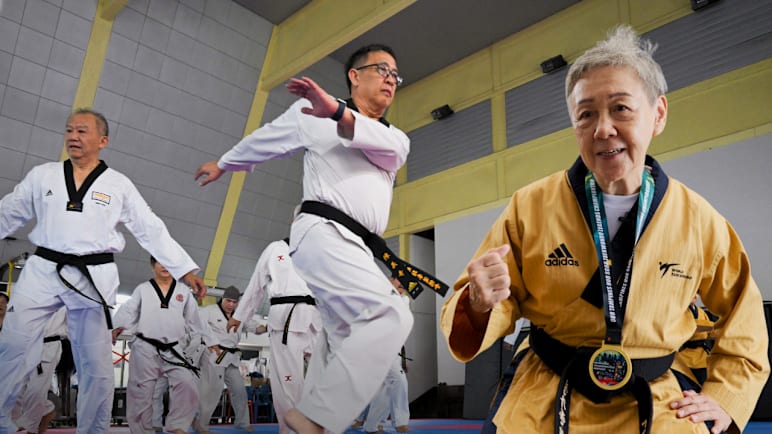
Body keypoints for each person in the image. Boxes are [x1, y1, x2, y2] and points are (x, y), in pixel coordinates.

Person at [440, 25, 769, 434]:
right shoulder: (530, 206)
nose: (602, 128)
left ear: (658, 114)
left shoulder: (699, 219)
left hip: (657, 396)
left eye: (620, 108)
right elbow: (492, 299)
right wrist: (477, 303)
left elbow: (744, 318)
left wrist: (725, 396)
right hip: (547, 391)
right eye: (586, 114)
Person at [195, 44, 416, 434]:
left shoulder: (396, 138)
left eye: (395, 75)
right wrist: (226, 163)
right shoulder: (309, 113)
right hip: (322, 232)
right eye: (381, 69)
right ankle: (316, 416)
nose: (389, 79)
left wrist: (335, 112)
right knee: (392, 314)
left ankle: (312, 423)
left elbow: (359, 134)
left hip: (359, 249)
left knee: (344, 343)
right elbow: (269, 138)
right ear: (354, 74)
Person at [0, 108, 208, 434]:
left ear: (103, 140)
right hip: (42, 268)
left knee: (95, 363)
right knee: (12, 344)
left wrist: (185, 269)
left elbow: (148, 227)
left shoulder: (118, 185)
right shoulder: (43, 175)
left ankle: (93, 431)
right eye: (69, 130)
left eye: (82, 131)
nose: (73, 136)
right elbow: (8, 212)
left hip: (93, 274)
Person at [227, 236, 323, 434]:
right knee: (289, 382)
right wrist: (240, 316)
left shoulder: (322, 249)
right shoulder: (275, 249)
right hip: (285, 320)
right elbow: (256, 285)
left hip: (317, 319)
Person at [112, 256, 216, 434]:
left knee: (187, 384)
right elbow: (129, 309)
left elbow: (195, 318)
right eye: (159, 262)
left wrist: (212, 340)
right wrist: (116, 327)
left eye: (168, 262)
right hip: (145, 347)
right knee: (141, 394)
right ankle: (141, 431)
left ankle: (177, 425)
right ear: (153, 266)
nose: (164, 266)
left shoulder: (183, 291)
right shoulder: (143, 289)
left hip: (173, 349)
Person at [194, 286, 256, 433]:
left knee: (239, 390)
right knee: (212, 391)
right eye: (228, 301)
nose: (231, 305)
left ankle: (242, 422)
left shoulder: (239, 316)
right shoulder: (209, 311)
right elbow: (195, 325)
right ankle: (201, 424)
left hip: (232, 358)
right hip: (214, 356)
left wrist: (270, 327)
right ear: (223, 298)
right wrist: (205, 341)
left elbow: (255, 327)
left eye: (235, 302)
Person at [361, 274, 411, 434]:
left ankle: (372, 424)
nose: (402, 284)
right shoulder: (377, 294)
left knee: (384, 388)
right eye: (399, 280)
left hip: (393, 348)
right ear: (390, 280)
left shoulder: (404, 300)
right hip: (376, 346)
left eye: (405, 282)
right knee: (398, 380)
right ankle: (400, 421)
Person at [11, 307, 66, 434]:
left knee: (36, 390)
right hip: (26, 347)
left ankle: (32, 428)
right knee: (16, 389)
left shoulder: (64, 299)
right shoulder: (27, 298)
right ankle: (46, 409)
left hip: (48, 346)